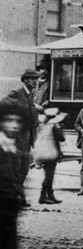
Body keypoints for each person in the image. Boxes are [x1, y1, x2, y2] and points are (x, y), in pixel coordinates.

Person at [0, 100, 28, 249]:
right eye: (8, 120)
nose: (14, 125)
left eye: (18, 121)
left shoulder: (17, 148)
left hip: (9, 214)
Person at [3, 69, 40, 205]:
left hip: (28, 140)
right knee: (16, 170)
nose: (35, 81)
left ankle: (18, 197)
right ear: (24, 80)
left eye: (36, 79)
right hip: (18, 140)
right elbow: (3, 104)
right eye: (31, 79)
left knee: (24, 169)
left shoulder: (30, 96)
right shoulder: (17, 94)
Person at [33, 107, 67, 205]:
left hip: (42, 152)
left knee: (48, 175)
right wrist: (60, 128)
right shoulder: (55, 126)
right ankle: (43, 196)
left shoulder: (43, 126)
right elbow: (61, 138)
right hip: (50, 153)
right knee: (49, 176)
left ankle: (49, 195)